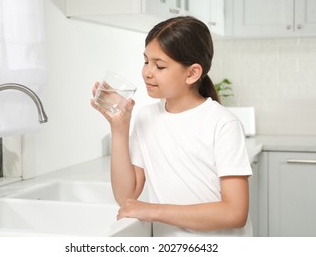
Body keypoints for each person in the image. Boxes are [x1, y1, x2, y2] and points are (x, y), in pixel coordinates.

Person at [91, 16, 252, 237]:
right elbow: (126, 197)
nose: (147, 72)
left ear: (192, 73)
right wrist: (119, 129)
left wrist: (153, 210)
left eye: (160, 65)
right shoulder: (145, 117)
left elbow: (234, 213)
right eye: (146, 61)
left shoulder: (223, 123)